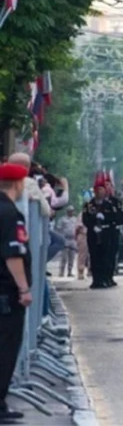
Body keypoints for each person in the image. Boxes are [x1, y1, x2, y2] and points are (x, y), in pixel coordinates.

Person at [0, 162, 31, 424]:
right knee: (6, 348)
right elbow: (13, 255)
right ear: (18, 184)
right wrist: (23, 288)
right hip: (6, 295)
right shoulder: (11, 214)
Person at [82, 179, 123, 289]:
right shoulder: (89, 205)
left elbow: (117, 218)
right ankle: (96, 279)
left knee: (105, 256)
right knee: (94, 257)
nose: (99, 192)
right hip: (93, 234)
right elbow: (85, 219)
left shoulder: (109, 205)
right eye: (97, 190)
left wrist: (106, 219)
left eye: (102, 189)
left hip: (106, 234)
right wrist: (92, 226)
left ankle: (105, 278)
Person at [56, 206, 79, 278]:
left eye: (72, 211)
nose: (71, 212)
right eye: (69, 211)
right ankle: (61, 272)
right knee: (64, 257)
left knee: (72, 257)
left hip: (73, 239)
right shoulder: (63, 219)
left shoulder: (75, 219)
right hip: (65, 239)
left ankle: (70, 271)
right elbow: (59, 228)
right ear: (67, 211)